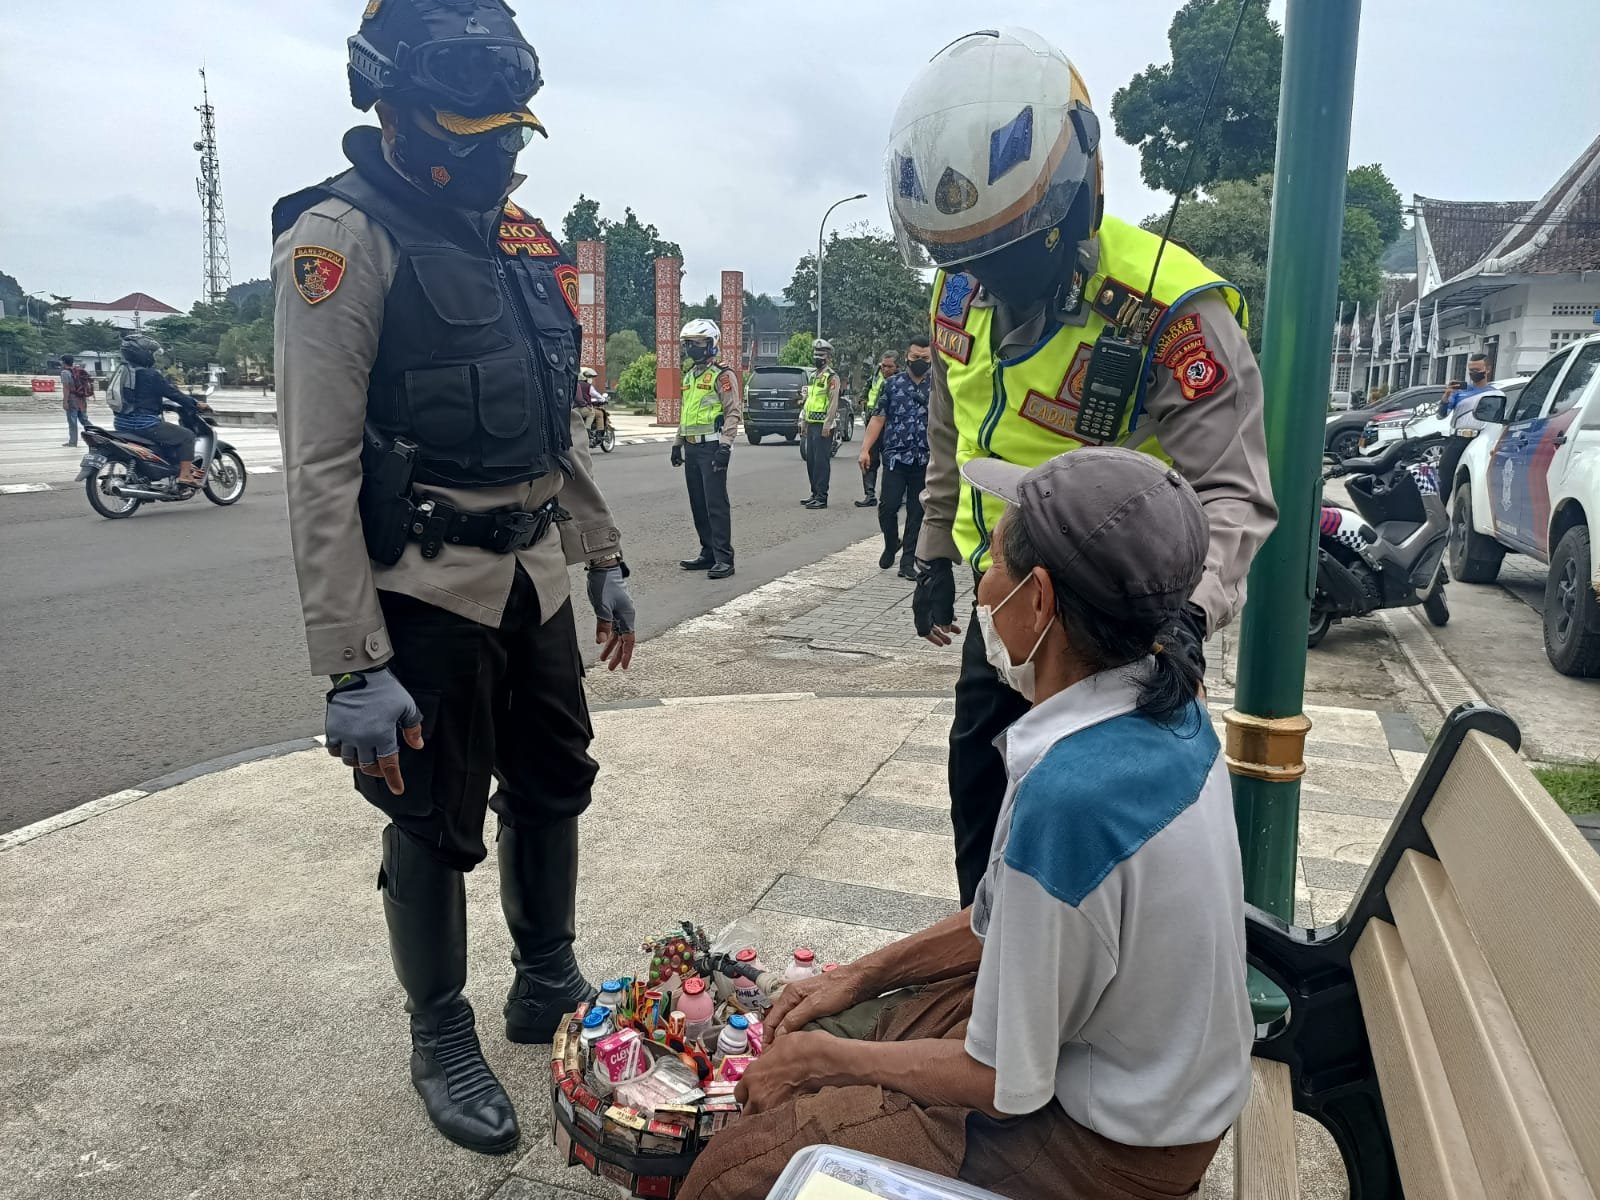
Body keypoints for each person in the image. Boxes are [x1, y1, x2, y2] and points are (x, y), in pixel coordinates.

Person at [678, 449, 1252, 1200]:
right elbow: (1004, 918)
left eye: (993, 559)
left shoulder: (1073, 794)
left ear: (1038, 600)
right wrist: (858, 975)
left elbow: (1004, 1081)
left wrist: (824, 1063)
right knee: (854, 1026)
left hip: (1110, 1150)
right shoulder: (1164, 702)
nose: (981, 581)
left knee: (732, 1175)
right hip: (1137, 1066)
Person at [270, 0, 639, 1158]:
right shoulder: (340, 241)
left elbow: (549, 420)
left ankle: (546, 977)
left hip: (533, 576)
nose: (495, 155)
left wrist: (603, 555)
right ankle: (439, 1032)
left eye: (509, 133)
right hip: (423, 591)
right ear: (391, 109)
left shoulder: (515, 237)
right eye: (470, 131)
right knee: (429, 818)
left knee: (555, 785)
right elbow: (318, 467)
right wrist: (350, 664)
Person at [886, 28, 1277, 904]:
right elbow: (953, 419)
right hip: (1004, 608)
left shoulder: (1172, 315)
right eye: (964, 259)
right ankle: (984, 981)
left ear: (1078, 197)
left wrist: (1188, 616)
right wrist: (935, 550)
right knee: (982, 824)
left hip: (1115, 631)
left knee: (1097, 868)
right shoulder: (958, 289)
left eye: (1008, 253)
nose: (986, 282)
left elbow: (1233, 493)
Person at [671, 317, 740, 580]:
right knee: (698, 503)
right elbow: (685, 413)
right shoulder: (690, 376)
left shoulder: (722, 375)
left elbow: (732, 412)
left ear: (711, 344)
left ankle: (724, 558)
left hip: (712, 446)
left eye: (698, 343)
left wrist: (726, 446)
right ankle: (708, 551)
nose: (692, 348)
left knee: (715, 504)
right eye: (688, 343)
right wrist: (677, 443)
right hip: (691, 447)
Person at [858, 336, 931, 579]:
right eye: (915, 357)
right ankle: (892, 542)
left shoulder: (938, 386)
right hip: (896, 458)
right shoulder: (892, 385)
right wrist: (865, 449)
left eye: (925, 358)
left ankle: (907, 562)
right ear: (907, 357)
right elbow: (878, 418)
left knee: (916, 512)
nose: (919, 361)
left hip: (924, 459)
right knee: (887, 507)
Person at [108, 335, 205, 486]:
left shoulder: (122, 372)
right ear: (144, 354)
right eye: (153, 354)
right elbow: (173, 394)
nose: (154, 357)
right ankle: (185, 475)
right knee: (187, 436)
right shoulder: (151, 375)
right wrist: (196, 404)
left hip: (121, 423)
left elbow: (135, 396)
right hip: (145, 425)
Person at [799, 337, 841, 509]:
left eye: (821, 355)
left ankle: (822, 497)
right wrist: (803, 422)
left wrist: (827, 425)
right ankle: (814, 493)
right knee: (811, 461)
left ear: (828, 358)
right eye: (816, 355)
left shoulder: (832, 377)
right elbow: (808, 400)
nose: (818, 358)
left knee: (821, 462)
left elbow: (833, 403)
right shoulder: (812, 376)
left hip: (824, 425)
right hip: (811, 423)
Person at [854, 351, 898, 508]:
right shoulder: (876, 375)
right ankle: (869, 494)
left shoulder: (900, 381)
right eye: (883, 365)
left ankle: (894, 495)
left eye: (890, 366)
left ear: (897, 366)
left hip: (891, 426)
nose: (885, 369)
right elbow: (868, 387)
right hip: (873, 421)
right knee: (869, 459)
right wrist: (863, 399)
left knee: (891, 462)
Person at [59, 355, 93, 447]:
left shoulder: (65, 373)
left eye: (61, 361)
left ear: (64, 362)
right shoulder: (77, 371)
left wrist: (65, 402)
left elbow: (66, 388)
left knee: (72, 421)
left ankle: (73, 442)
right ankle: (98, 436)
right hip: (81, 399)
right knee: (84, 420)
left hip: (72, 399)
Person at [575, 366, 602, 435]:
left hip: (573, 408)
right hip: (582, 408)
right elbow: (596, 395)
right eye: (589, 376)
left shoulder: (574, 384)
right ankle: (588, 430)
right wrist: (602, 399)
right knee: (592, 413)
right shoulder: (588, 386)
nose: (590, 378)